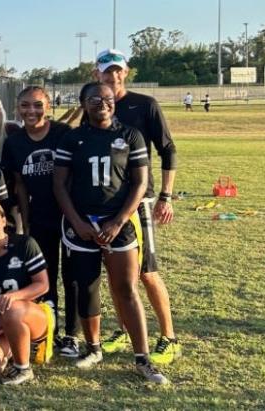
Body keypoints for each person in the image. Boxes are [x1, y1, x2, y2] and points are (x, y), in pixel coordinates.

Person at [53, 82, 167, 384]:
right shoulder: (73, 138)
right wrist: (76, 222)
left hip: (117, 221)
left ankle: (142, 357)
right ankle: (93, 347)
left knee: (126, 288)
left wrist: (118, 221)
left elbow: (140, 184)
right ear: (83, 103)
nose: (102, 103)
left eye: (107, 98)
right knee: (87, 286)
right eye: (94, 99)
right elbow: (59, 186)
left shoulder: (130, 135)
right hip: (81, 223)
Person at [94, 49, 181, 365]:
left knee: (146, 272)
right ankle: (124, 330)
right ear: (97, 74)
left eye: (118, 71)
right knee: (116, 273)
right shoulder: (96, 107)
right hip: (106, 203)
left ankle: (169, 337)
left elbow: (168, 150)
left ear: (126, 72)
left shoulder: (145, 105)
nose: (113, 76)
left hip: (139, 201)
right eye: (107, 71)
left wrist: (166, 196)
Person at [1, 86, 79, 357]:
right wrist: (25, 219)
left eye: (37, 105)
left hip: (69, 216)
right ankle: (50, 331)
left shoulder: (63, 134)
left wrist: (76, 215)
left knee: (73, 276)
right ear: (18, 109)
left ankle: (72, 334)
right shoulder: (15, 142)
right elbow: (20, 184)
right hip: (39, 217)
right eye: (25, 105)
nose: (31, 111)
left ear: (48, 106)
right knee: (46, 276)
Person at [0, 199, 52, 385]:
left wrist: (14, 296)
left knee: (12, 308)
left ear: (4, 220)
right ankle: (12, 349)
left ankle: (23, 368)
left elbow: (42, 285)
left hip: (32, 316)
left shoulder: (25, 244)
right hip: (1, 321)